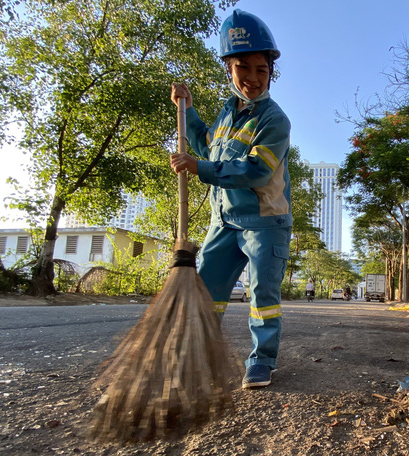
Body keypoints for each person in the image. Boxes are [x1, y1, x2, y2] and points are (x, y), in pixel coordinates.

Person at [170, 9, 291, 389]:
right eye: (243, 68)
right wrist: (185, 109)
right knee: (207, 288)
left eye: (261, 69)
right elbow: (206, 141)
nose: (252, 78)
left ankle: (261, 360)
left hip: (263, 223)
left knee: (263, 295)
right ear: (228, 68)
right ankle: (199, 354)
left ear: (271, 71)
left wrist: (198, 167)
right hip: (222, 222)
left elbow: (255, 171)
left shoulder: (275, 120)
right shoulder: (226, 112)